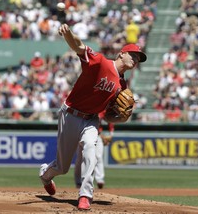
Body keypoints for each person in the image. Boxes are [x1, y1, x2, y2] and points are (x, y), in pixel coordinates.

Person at [39, 23, 147, 211]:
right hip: (70, 113)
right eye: (134, 55)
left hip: (91, 119)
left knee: (90, 148)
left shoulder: (123, 85)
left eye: (138, 58)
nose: (136, 59)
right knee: (62, 167)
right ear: (121, 53)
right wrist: (69, 34)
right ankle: (45, 175)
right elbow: (80, 47)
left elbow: (111, 115)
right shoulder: (101, 62)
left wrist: (120, 119)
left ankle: (85, 195)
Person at [74, 110, 114, 189]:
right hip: (81, 135)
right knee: (80, 159)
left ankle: (100, 180)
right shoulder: (83, 108)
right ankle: (78, 181)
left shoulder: (102, 110)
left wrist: (111, 134)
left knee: (98, 157)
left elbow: (110, 121)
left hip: (97, 135)